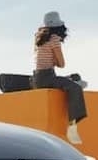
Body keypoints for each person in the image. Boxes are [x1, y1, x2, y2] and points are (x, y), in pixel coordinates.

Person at [31, 11, 87, 144]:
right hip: (47, 77)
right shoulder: (54, 39)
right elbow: (62, 64)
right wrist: (55, 60)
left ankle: (74, 81)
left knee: (73, 78)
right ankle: (72, 125)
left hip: (38, 78)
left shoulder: (39, 38)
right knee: (75, 87)